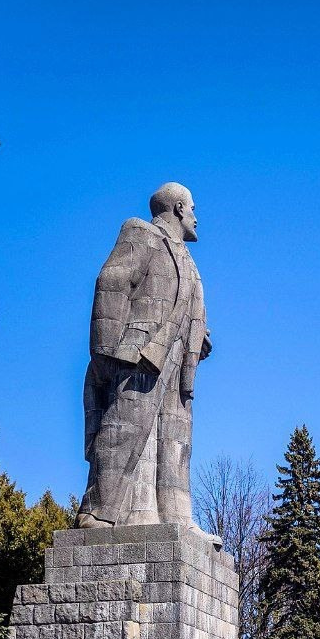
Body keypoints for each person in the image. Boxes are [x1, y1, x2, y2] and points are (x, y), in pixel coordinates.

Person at [77, 183, 212, 528]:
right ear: (179, 208)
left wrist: (199, 339)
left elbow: (186, 309)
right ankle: (97, 512)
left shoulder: (188, 261)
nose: (197, 217)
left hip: (178, 363)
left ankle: (175, 516)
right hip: (138, 356)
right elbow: (111, 282)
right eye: (193, 209)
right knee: (124, 431)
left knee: (175, 443)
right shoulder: (142, 234)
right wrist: (108, 354)